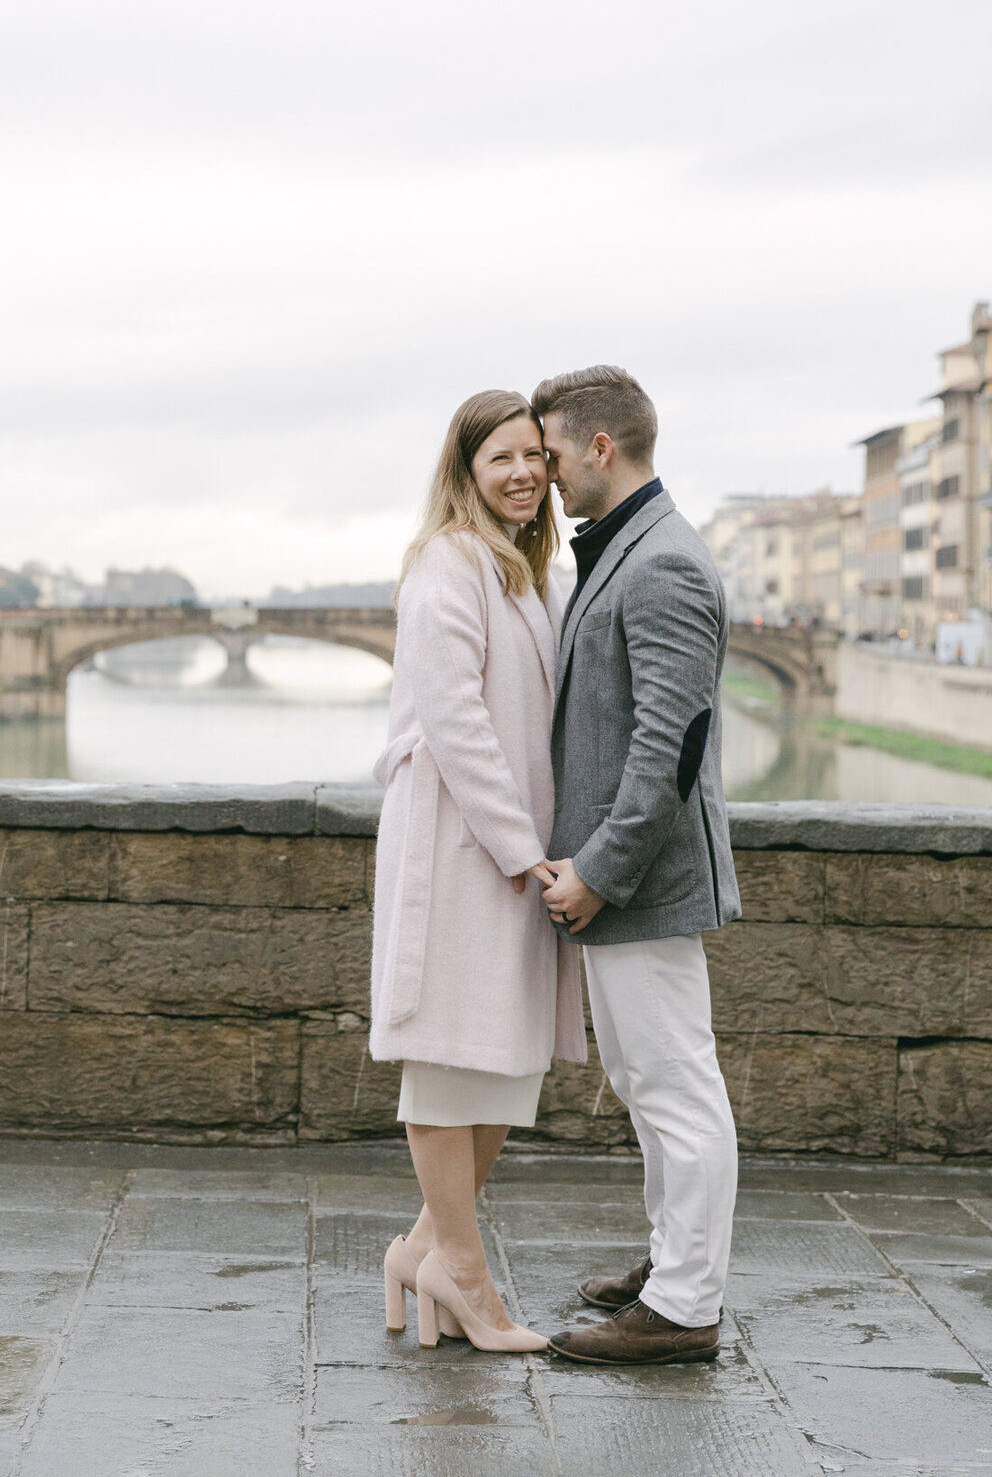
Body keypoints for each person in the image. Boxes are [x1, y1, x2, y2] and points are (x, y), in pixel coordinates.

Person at [530, 364, 740, 1368]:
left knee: (675, 1086)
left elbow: (672, 746)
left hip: (641, 884)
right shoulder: (628, 549)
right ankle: (673, 1266)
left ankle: (687, 1309)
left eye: (556, 453)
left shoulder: (660, 564)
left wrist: (601, 871)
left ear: (601, 448)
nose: (550, 474)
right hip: (624, 881)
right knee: (648, 1082)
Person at [370, 389, 587, 1354]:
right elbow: (455, 719)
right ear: (464, 469)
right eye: (501, 456)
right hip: (463, 848)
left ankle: (422, 1250)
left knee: (505, 1061)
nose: (524, 473)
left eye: (536, 456)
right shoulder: (447, 566)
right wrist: (518, 849)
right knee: (449, 1063)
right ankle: (463, 1272)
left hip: (513, 847)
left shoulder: (535, 573)